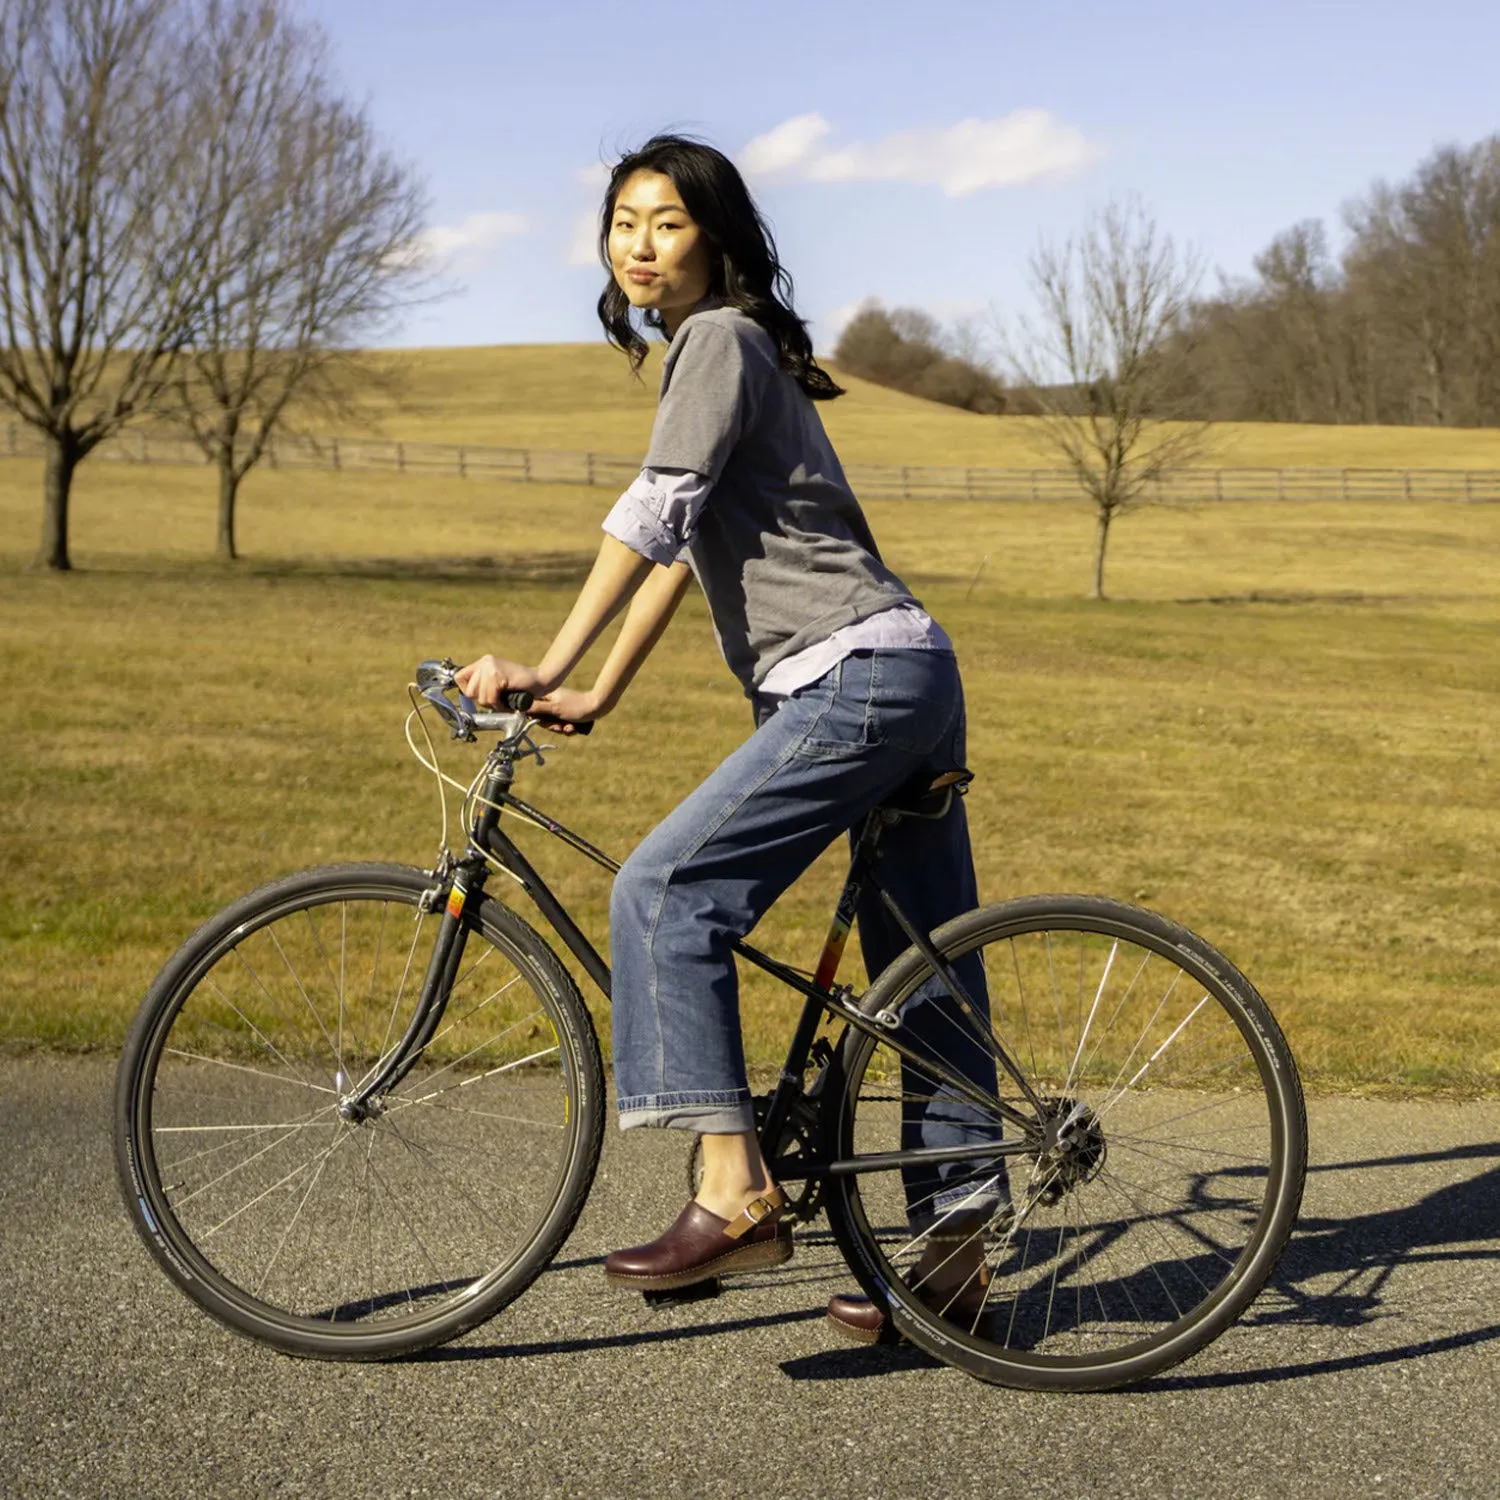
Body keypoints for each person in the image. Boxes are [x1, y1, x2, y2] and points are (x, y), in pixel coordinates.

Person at [456, 134, 1004, 1343]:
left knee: (665, 893)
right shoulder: (728, 354)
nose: (639, 245)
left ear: (716, 237)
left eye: (666, 223)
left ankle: (733, 1190)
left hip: (854, 678)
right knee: (923, 970)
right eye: (623, 224)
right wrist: (598, 690)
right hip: (907, 673)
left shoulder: (715, 340)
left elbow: (651, 518)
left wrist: (543, 659)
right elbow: (685, 550)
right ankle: (958, 1257)